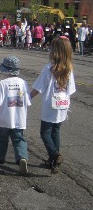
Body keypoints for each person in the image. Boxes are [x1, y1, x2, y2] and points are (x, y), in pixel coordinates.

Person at [30, 37, 76, 174]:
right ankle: (54, 162)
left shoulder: (48, 69)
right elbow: (71, 89)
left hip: (50, 104)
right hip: (63, 104)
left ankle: (55, 155)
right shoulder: (69, 69)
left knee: (45, 132)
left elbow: (38, 88)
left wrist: (28, 98)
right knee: (56, 131)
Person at [0, 56, 31, 175]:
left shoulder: (3, 83)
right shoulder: (23, 83)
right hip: (19, 119)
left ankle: (0, 158)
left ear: (6, 70)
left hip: (5, 119)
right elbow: (28, 101)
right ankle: (22, 158)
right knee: (19, 139)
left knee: (2, 139)